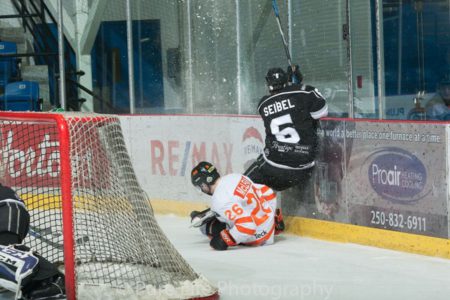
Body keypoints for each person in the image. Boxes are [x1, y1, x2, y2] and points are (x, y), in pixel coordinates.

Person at [244, 66, 328, 191]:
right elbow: (321, 112)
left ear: (268, 83)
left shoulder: (263, 104)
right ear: (286, 80)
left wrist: (293, 86)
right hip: (303, 167)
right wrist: (298, 84)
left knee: (240, 185)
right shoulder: (304, 93)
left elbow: (283, 102)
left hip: (274, 166)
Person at [190, 161, 284, 251]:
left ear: (203, 184)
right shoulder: (236, 176)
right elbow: (267, 191)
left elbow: (247, 226)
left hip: (258, 237)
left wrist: (225, 239)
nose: (202, 190)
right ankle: (273, 224)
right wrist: (273, 218)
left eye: (200, 187)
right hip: (269, 225)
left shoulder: (219, 200)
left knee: (205, 227)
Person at [0, 184, 65, 300]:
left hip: (6, 209)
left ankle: (47, 282)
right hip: (11, 209)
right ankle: (47, 281)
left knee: (5, 253)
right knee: (8, 253)